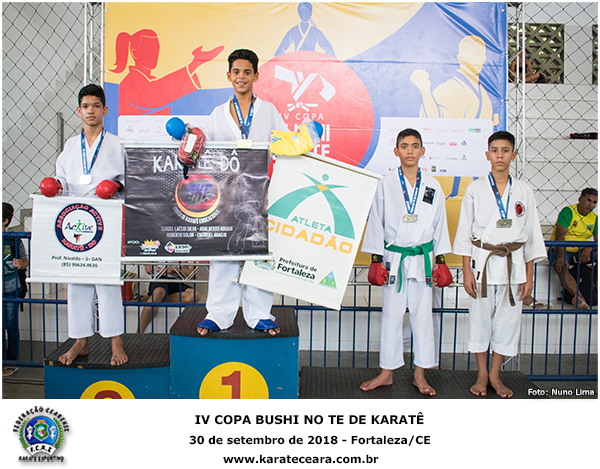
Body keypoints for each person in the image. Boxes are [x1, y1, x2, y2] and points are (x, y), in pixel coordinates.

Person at [197, 49, 288, 336]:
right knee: (223, 253)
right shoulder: (218, 114)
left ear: (256, 76)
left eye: (247, 72)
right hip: (225, 193)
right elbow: (204, 153)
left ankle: (259, 314)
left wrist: (305, 139)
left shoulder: (269, 111)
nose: (241, 77)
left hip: (260, 192)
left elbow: (285, 145)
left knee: (258, 252)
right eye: (236, 71)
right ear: (228, 76)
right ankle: (218, 313)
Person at [39, 84, 128, 366]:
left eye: (96, 106)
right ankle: (80, 341)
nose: (91, 111)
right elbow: (63, 179)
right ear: (79, 110)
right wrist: (55, 185)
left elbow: (128, 179)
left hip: (106, 220)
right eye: (86, 106)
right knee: (77, 280)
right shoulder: (69, 146)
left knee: (108, 281)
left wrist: (115, 185)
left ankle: (116, 342)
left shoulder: (117, 144)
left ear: (105, 110)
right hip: (76, 220)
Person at [453, 131, 546, 398]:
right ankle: (482, 374)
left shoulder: (524, 191)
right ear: (487, 155)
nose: (500, 156)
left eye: (505, 150)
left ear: (513, 155)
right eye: (494, 151)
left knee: (507, 321)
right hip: (482, 264)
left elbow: (532, 236)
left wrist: (529, 277)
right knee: (480, 320)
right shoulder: (475, 189)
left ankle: (495, 374)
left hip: (513, 265)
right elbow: (464, 232)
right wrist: (466, 271)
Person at [360, 128, 452, 395]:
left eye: (414, 146)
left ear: (423, 151)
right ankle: (386, 373)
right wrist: (376, 260)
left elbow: (440, 224)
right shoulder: (386, 184)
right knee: (391, 316)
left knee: (423, 318)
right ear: (396, 151)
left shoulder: (433, 186)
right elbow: (376, 221)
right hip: (395, 258)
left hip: (423, 259)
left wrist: (441, 261)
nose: (409, 151)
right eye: (404, 146)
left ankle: (420, 374)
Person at [111, 29, 223, 115]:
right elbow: (155, 94)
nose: (155, 54)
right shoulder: (129, 83)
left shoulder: (149, 80)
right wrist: (194, 64)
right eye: (149, 49)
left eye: (156, 49)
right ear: (135, 53)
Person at [410, 35, 500, 126]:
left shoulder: (484, 91)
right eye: (469, 56)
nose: (474, 61)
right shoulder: (449, 88)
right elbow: (433, 123)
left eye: (478, 56)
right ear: (459, 58)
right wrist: (425, 91)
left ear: (484, 58)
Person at [549, 188, 598, 309]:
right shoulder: (568, 211)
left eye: (594, 202)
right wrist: (561, 257)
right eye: (588, 200)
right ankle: (580, 299)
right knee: (561, 266)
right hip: (562, 249)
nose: (591, 205)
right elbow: (560, 235)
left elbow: (597, 240)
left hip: (581, 251)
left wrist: (588, 249)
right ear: (580, 199)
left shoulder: (595, 218)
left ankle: (596, 293)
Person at [3, 203, 28, 376]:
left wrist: (21, 263)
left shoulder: (13, 239)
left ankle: (11, 360)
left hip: (11, 287)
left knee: (11, 324)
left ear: (5, 221)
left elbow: (25, 261)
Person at [138, 264, 196, 333]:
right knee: (159, 291)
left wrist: (174, 269)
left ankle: (151, 298)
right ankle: (138, 333)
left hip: (179, 281)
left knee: (195, 295)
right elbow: (148, 268)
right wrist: (149, 268)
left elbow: (194, 275)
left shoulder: (190, 256)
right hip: (160, 278)